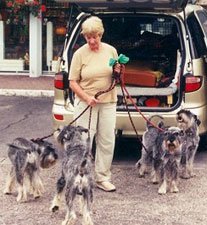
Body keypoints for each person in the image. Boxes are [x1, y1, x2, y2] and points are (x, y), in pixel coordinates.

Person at [69, 16, 120, 192]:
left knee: (107, 140)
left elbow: (116, 75)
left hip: (108, 101)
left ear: (101, 34)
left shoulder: (111, 51)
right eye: (88, 37)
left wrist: (118, 71)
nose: (92, 41)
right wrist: (86, 97)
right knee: (83, 142)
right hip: (86, 104)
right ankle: (80, 176)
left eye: (95, 36)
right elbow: (72, 82)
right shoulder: (79, 54)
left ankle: (102, 178)